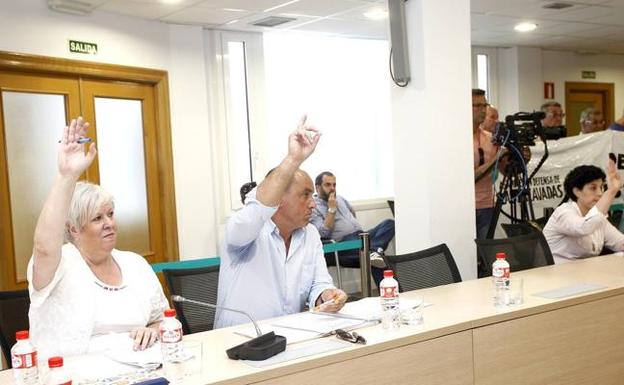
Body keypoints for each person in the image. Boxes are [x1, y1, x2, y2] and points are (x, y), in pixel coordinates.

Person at [27, 117, 168, 361]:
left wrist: (153, 331)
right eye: (97, 218)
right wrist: (66, 176)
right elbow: (43, 248)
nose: (109, 223)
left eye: (111, 214)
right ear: (74, 229)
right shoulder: (60, 264)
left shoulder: (135, 264)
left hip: (140, 371)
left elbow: (165, 318)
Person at [215, 116, 347, 328]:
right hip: (239, 341)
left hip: (288, 336)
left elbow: (318, 283)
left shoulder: (310, 234)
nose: (312, 204)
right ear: (279, 199)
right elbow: (258, 206)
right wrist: (293, 159)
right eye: (305, 195)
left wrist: (326, 295)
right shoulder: (246, 230)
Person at [310, 171, 395, 286]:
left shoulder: (340, 198)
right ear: (317, 187)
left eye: (334, 185)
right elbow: (323, 234)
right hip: (342, 244)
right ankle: (375, 250)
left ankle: (374, 248)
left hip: (361, 236)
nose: (332, 188)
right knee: (376, 256)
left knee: (389, 224)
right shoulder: (313, 206)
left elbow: (352, 213)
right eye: (328, 185)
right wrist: (331, 209)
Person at [543, 160, 624, 264]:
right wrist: (611, 191)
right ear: (577, 191)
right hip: (554, 276)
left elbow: (620, 243)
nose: (600, 193)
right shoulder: (563, 212)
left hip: (585, 275)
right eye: (593, 188)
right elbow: (583, 227)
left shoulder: (600, 219)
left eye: (602, 187)